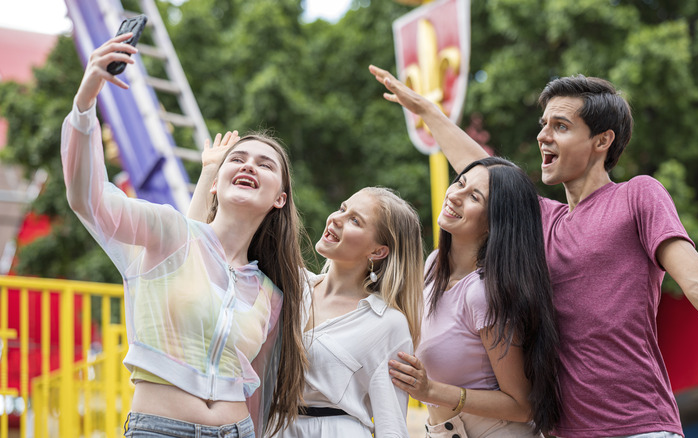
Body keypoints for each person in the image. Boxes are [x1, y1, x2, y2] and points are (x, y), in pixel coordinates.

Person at [369, 64, 698, 438]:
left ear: (602, 140)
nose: (543, 135)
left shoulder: (638, 196)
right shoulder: (541, 220)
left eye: (561, 126)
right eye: (543, 124)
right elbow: (485, 172)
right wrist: (428, 111)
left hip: (639, 426)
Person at [62, 35, 306, 438]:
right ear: (215, 183)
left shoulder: (270, 294)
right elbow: (89, 200)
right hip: (159, 428)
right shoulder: (169, 233)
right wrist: (86, 101)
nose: (248, 165)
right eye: (238, 158)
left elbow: (258, 397)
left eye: (265, 164)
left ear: (279, 198)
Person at [190, 139, 425, 437]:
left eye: (354, 220)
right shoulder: (289, 284)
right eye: (342, 208)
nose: (336, 219)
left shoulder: (387, 323)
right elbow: (197, 256)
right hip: (271, 427)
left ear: (378, 251)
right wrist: (210, 171)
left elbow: (392, 424)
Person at [387, 156, 562, 437]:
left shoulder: (481, 293)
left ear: (495, 223)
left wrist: (431, 390)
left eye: (474, 197)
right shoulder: (433, 266)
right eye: (460, 183)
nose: (455, 195)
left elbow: (522, 405)